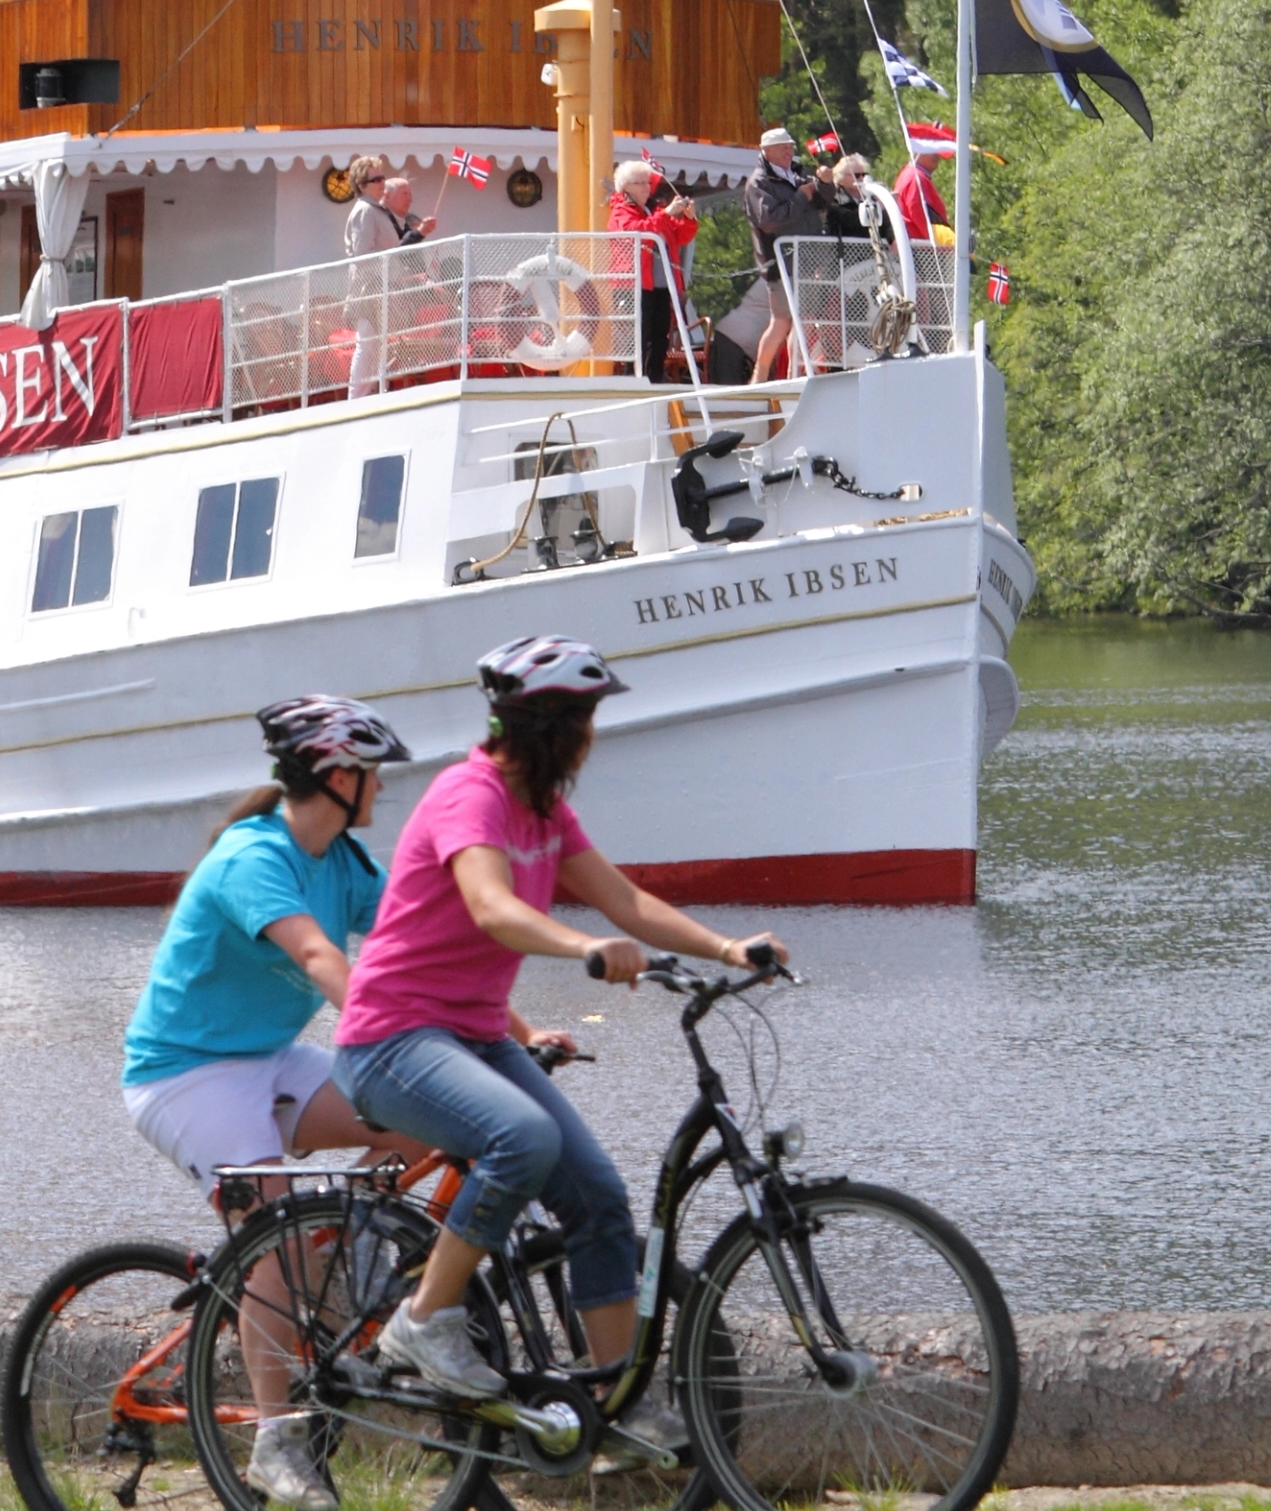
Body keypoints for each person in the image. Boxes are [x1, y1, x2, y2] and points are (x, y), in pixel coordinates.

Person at [335, 637, 785, 1472]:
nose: (592, 739)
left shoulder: (543, 809)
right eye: (586, 720)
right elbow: (491, 906)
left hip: (468, 1035)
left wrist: (728, 949)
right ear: (552, 726)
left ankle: (615, 1400)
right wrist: (586, 948)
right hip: (390, 1040)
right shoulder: (467, 796)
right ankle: (424, 1321)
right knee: (525, 1139)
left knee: (600, 1200)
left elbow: (625, 899)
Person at [121, 695, 430, 1511]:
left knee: (427, 1119)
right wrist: (388, 1025)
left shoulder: (344, 863)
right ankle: (275, 1441)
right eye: (371, 775)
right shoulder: (253, 857)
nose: (380, 791)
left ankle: (346, 1262)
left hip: (268, 1059)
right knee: (274, 1235)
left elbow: (417, 935)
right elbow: (320, 954)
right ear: (335, 777)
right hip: (185, 1074)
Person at [609, 161, 701, 381]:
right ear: (625, 187)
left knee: (660, 336)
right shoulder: (620, 211)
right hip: (635, 285)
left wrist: (688, 218)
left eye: (647, 182)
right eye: (639, 182)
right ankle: (634, 382)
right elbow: (637, 233)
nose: (646, 187)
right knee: (639, 337)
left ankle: (654, 380)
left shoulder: (655, 209)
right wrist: (666, 213)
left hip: (660, 284)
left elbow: (680, 236)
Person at [740, 128, 819, 379]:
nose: (789, 151)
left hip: (805, 260)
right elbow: (769, 220)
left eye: (791, 146)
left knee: (802, 320)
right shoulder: (759, 182)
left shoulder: (796, 174)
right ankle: (760, 374)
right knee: (783, 321)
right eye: (783, 146)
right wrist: (800, 197)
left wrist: (823, 186)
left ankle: (795, 375)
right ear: (767, 151)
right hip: (781, 263)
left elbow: (818, 206)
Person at [339, 155, 407, 260]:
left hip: (387, 276)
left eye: (383, 178)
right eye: (377, 180)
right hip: (373, 277)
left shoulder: (378, 210)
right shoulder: (365, 210)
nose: (383, 182)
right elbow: (363, 257)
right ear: (362, 186)